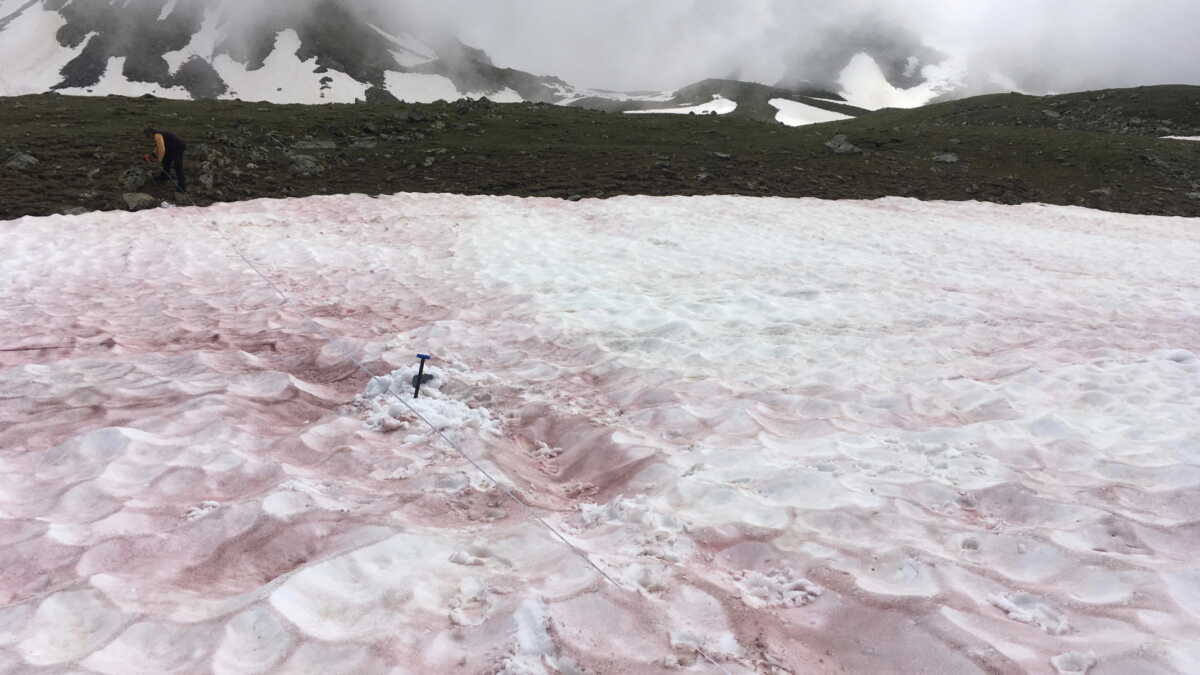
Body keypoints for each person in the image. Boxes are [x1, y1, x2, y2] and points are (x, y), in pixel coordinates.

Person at [143, 127, 187, 192]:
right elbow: (158, 146)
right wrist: (153, 154)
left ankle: (182, 186)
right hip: (171, 147)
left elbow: (162, 149)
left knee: (177, 165)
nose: (148, 138)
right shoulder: (158, 135)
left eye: (147, 135)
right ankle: (164, 176)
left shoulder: (157, 135)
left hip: (178, 147)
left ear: (150, 133)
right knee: (166, 161)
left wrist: (159, 160)